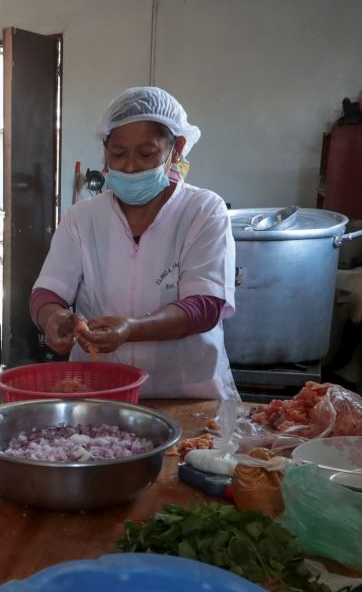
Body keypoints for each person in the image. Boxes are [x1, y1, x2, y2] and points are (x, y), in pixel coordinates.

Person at [31, 87, 238, 404]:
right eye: (117, 153)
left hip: (185, 395)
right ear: (105, 150)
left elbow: (206, 306)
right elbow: (48, 292)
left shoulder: (202, 210)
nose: (128, 167)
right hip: (99, 391)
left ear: (177, 148)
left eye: (146, 154)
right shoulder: (83, 218)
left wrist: (132, 329)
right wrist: (53, 319)